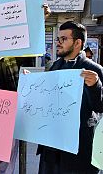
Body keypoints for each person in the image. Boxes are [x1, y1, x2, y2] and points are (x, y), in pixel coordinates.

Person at [36, 21, 103, 174]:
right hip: (52, 148)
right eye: (57, 39)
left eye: (63, 39)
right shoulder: (54, 66)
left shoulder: (94, 70)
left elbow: (100, 107)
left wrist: (96, 86)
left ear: (78, 43)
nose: (58, 43)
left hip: (77, 151)